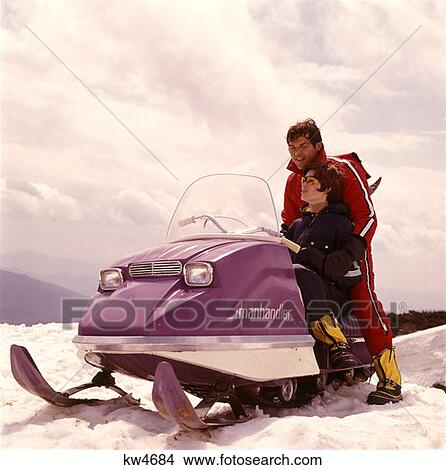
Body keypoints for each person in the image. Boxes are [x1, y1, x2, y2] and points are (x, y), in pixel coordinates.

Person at [282, 118, 402, 405]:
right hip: (310, 254)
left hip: (350, 250)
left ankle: (390, 378)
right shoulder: (292, 181)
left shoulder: (343, 171)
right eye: (291, 147)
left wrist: (349, 252)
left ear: (318, 146)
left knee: (364, 303)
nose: (297, 153)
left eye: (303, 146)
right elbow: (289, 219)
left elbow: (367, 216)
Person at [287, 163, 366, 370]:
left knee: (299, 272)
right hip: (297, 296)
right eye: (304, 180)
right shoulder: (297, 225)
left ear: (327, 189)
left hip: (329, 296)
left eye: (311, 181)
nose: (304, 184)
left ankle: (337, 343)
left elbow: (346, 272)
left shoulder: (342, 225)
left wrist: (312, 257)